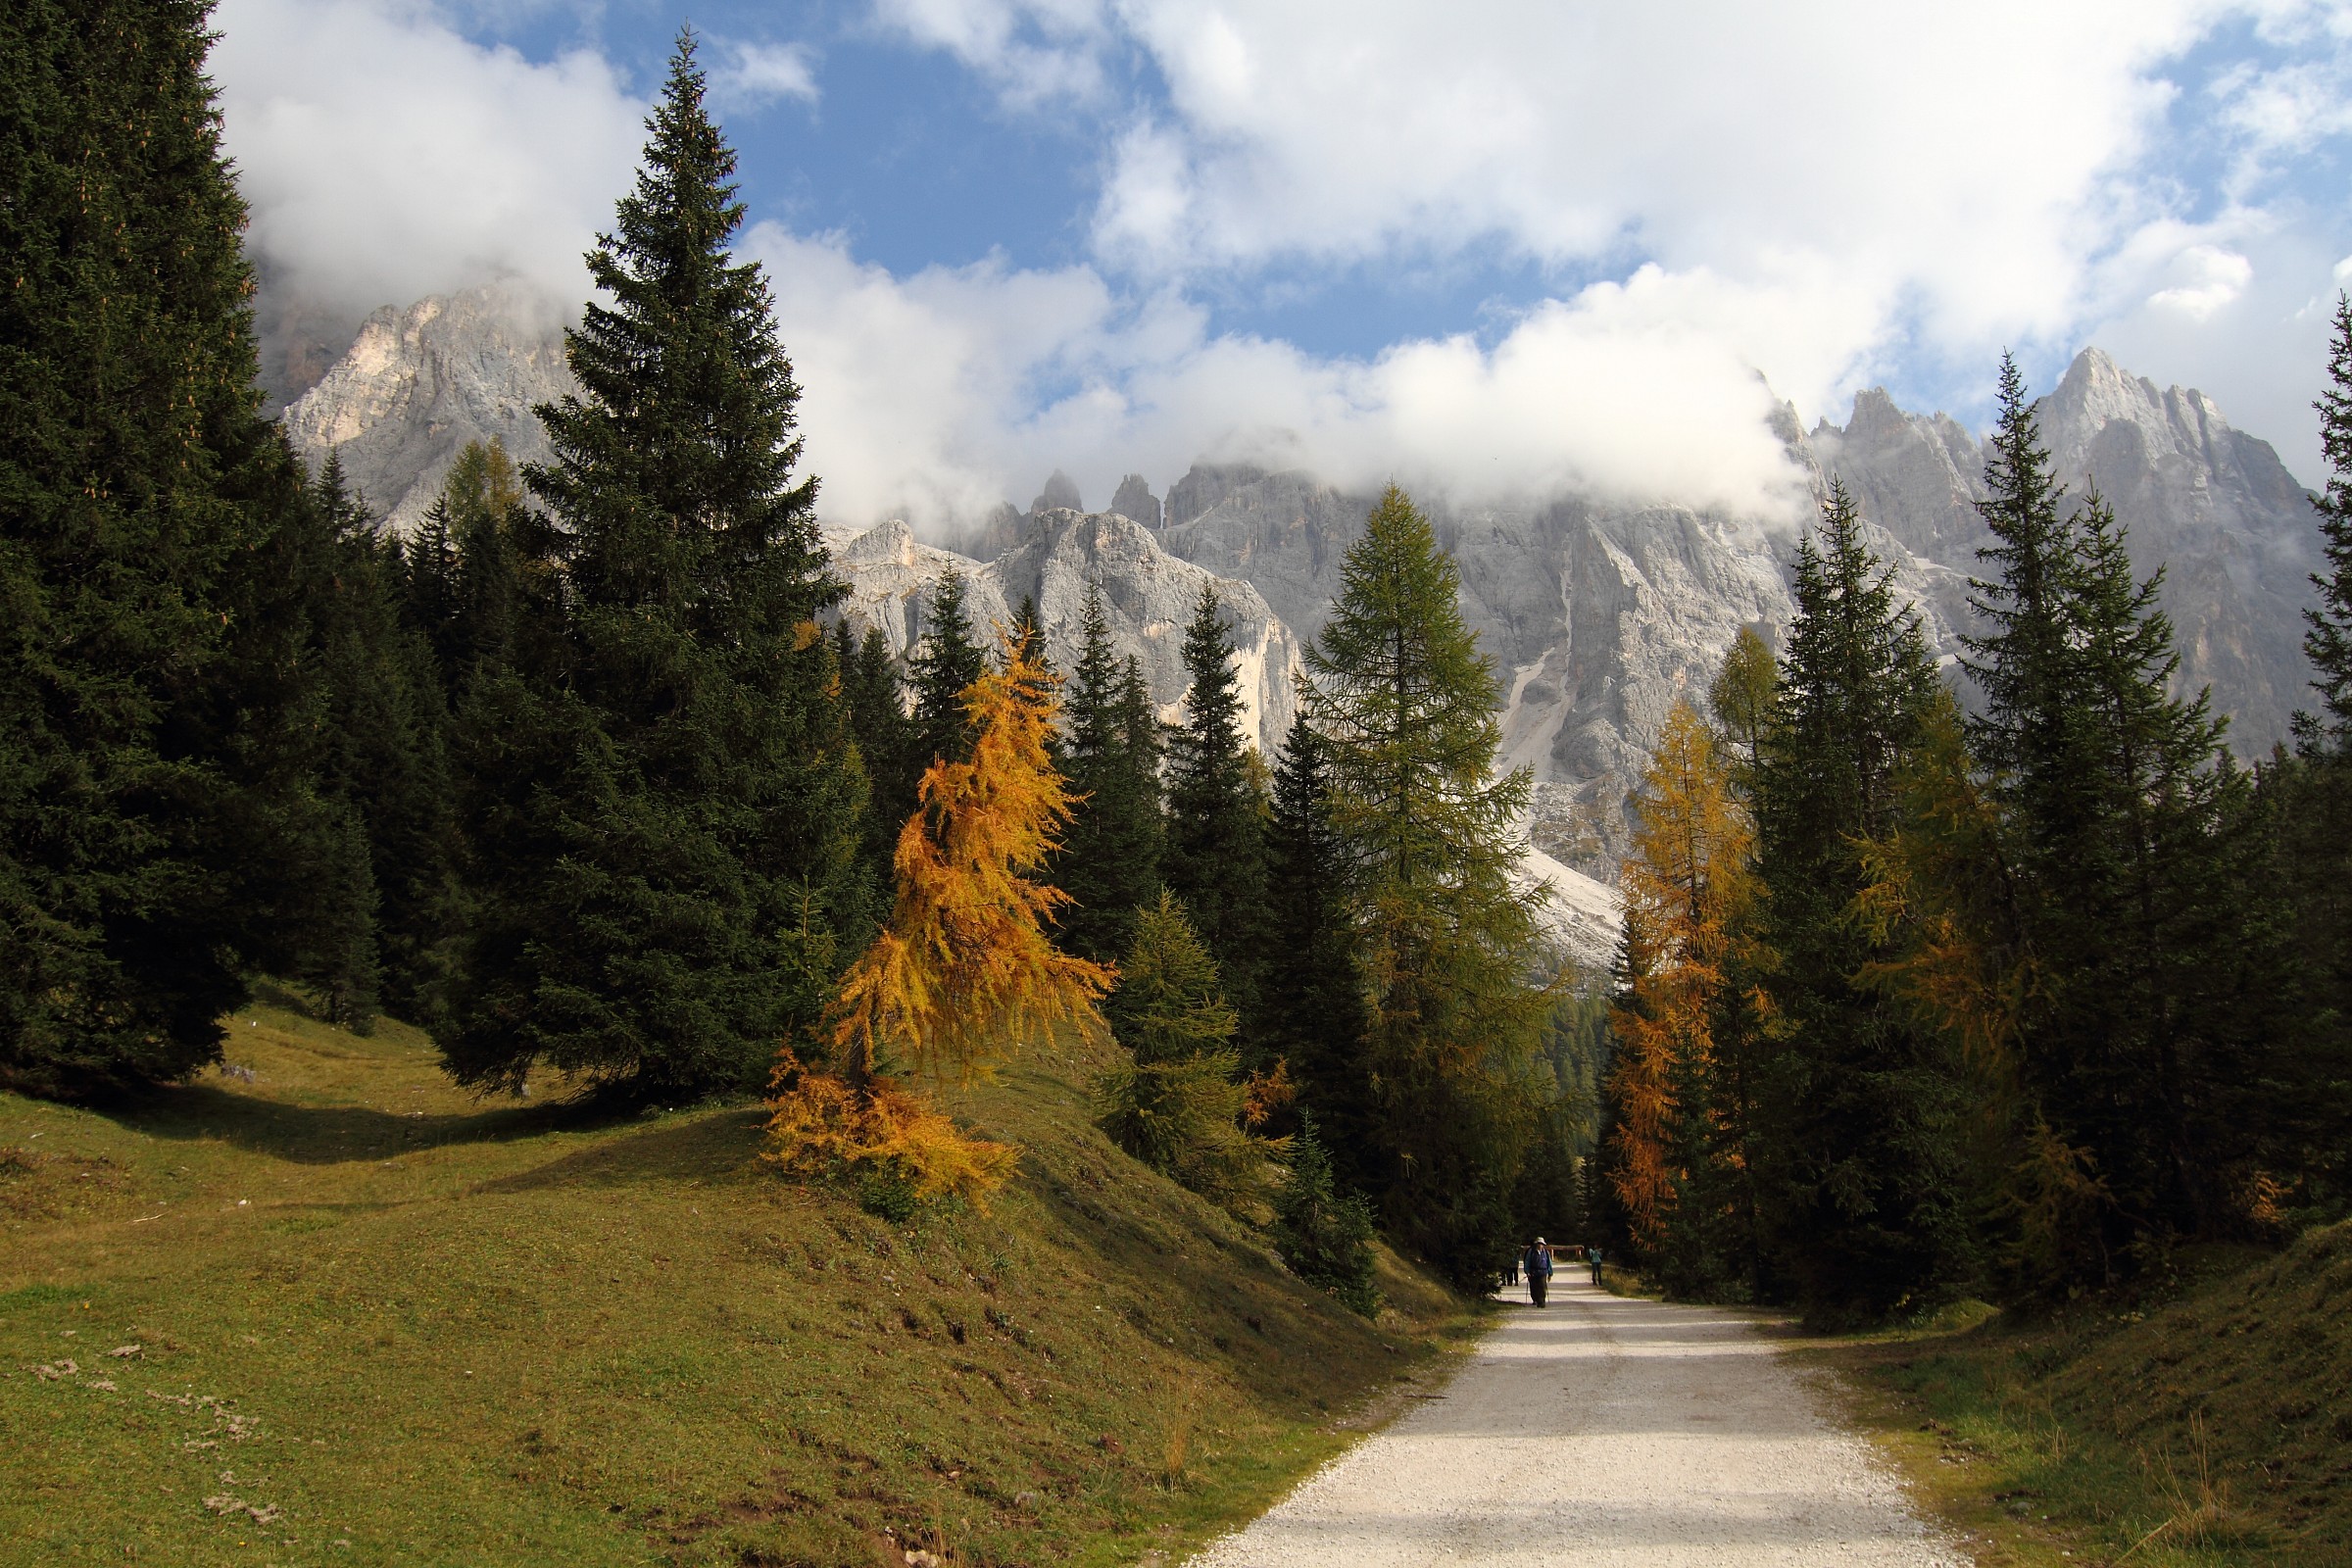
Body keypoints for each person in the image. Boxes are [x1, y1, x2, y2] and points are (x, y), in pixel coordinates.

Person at [1522, 1237, 1553, 1307]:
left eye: (1541, 1244)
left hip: (1543, 1272)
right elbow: (1527, 1261)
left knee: (1542, 1287)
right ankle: (1535, 1300)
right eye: (1539, 1243)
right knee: (1534, 1287)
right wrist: (1527, 1271)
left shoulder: (1545, 1252)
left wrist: (1550, 1273)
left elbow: (1549, 1263)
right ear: (1536, 1244)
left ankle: (1541, 1302)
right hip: (1533, 1272)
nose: (1540, 1245)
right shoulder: (1531, 1251)